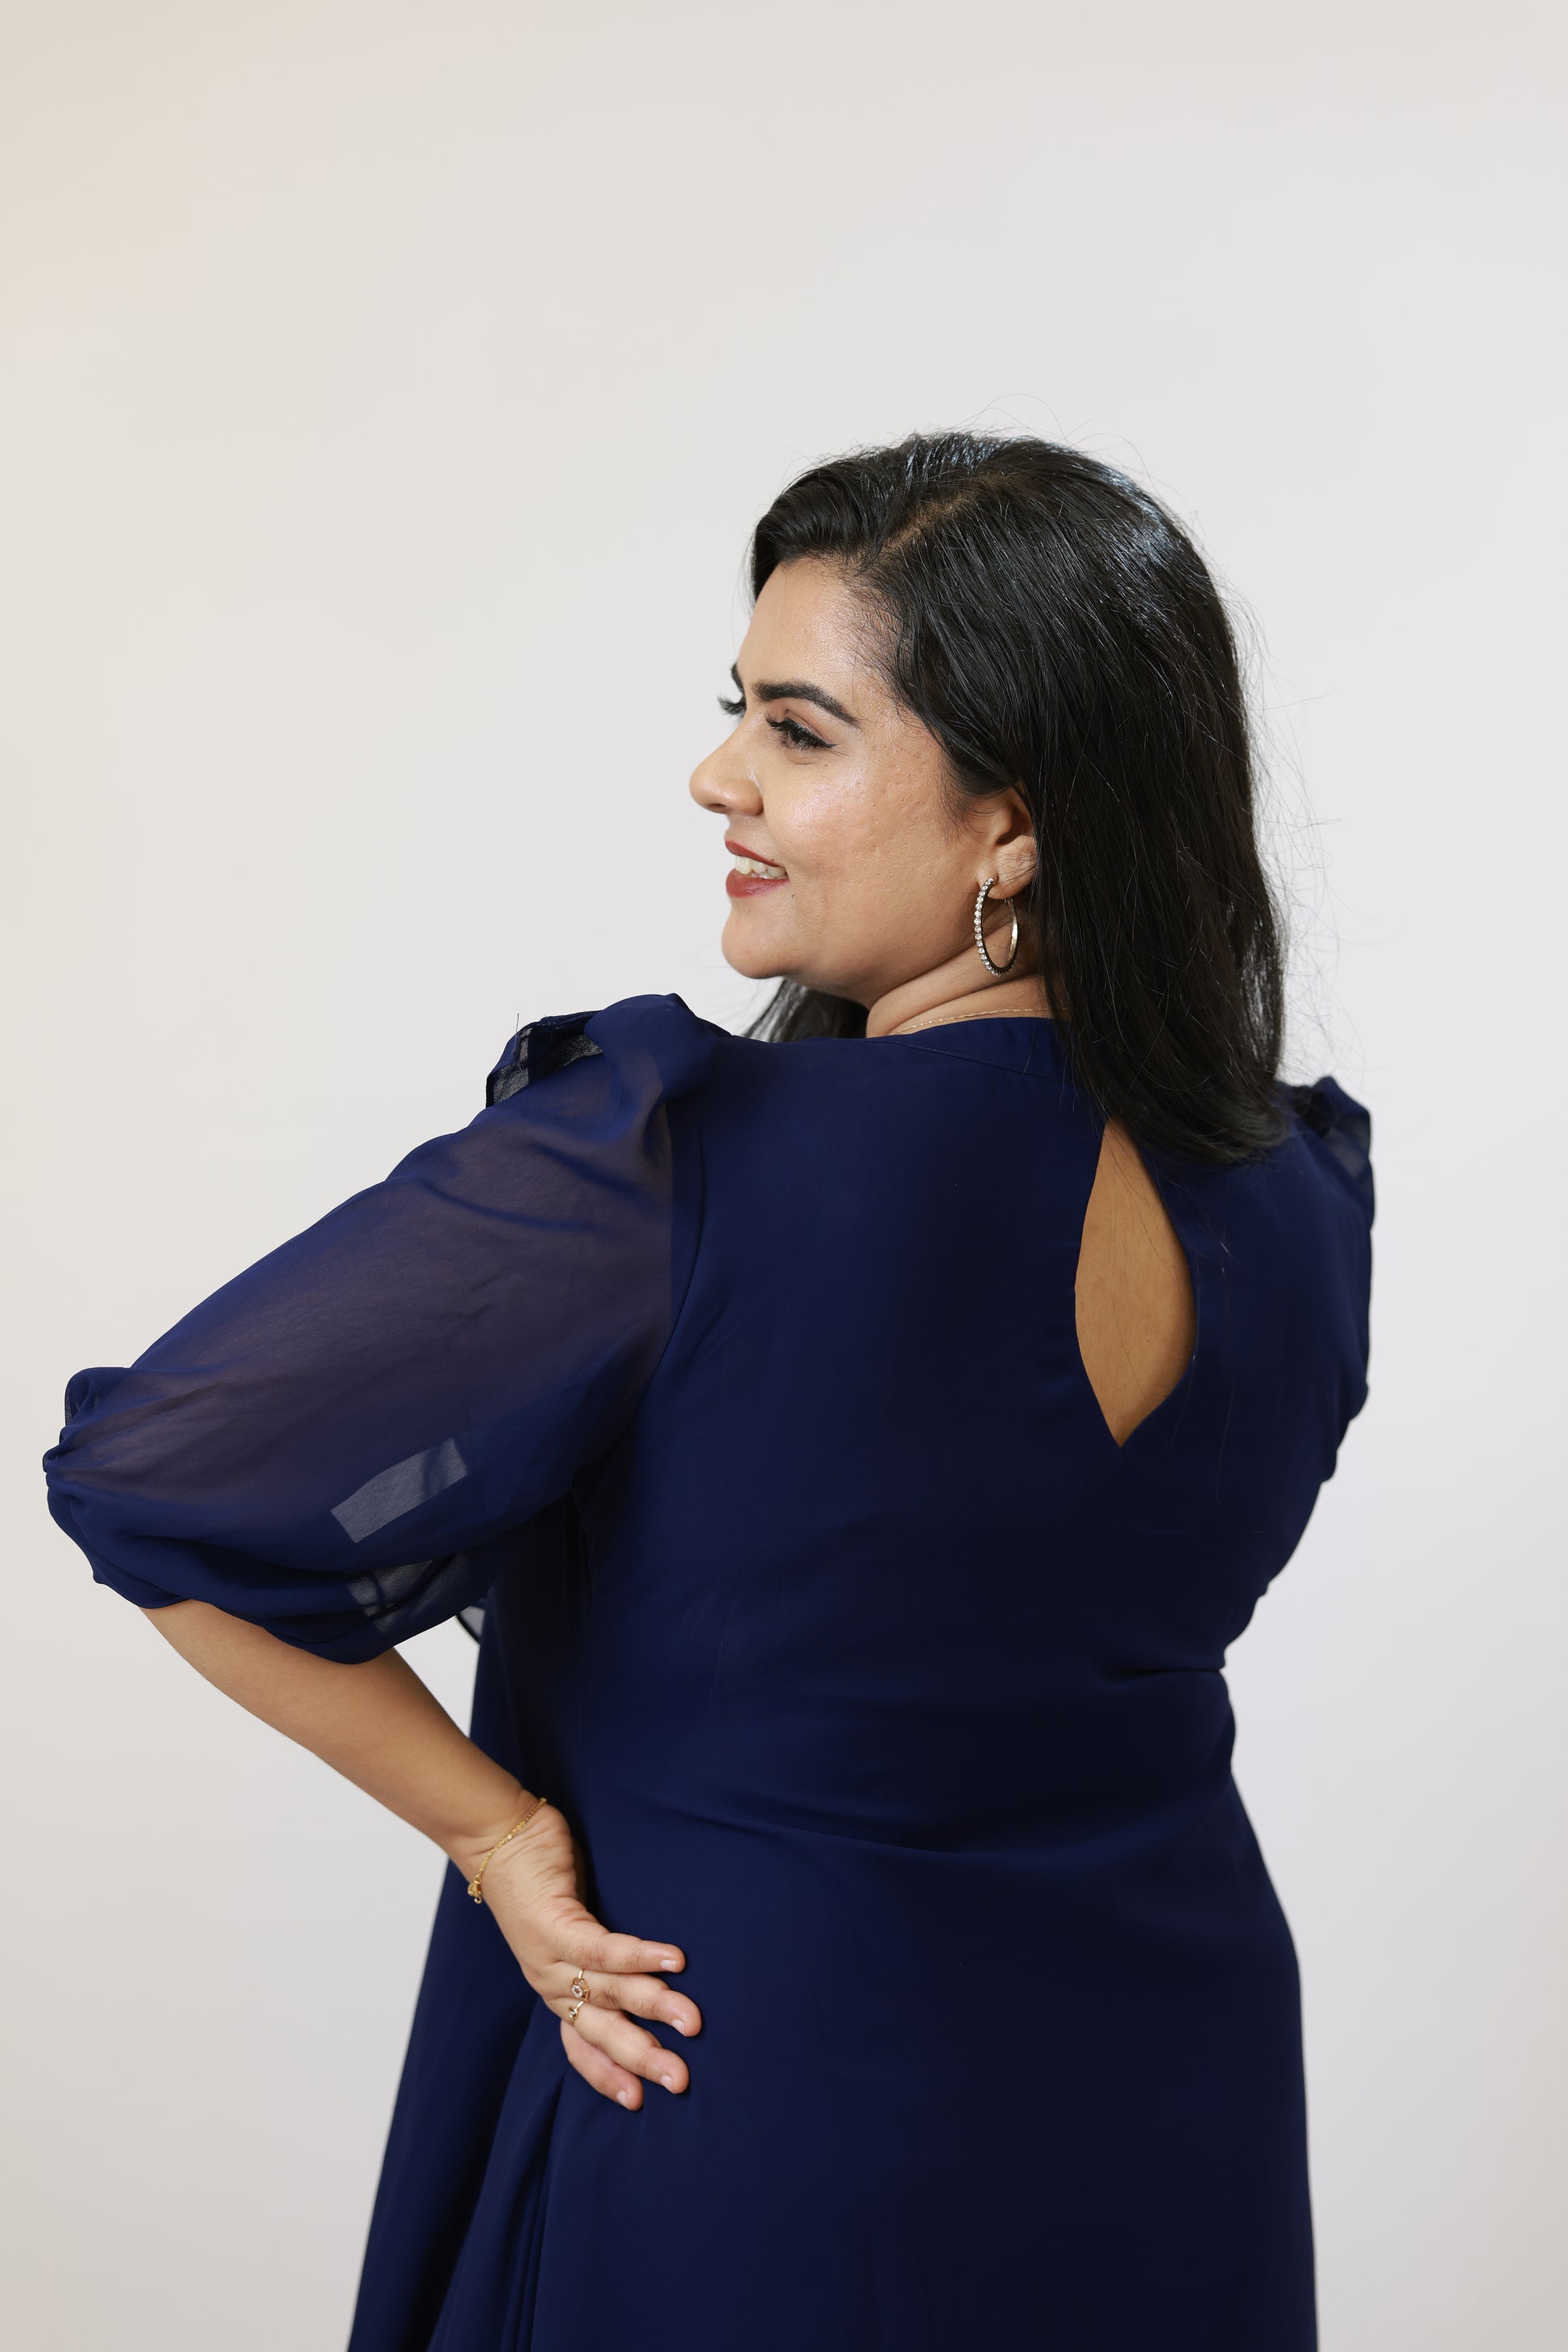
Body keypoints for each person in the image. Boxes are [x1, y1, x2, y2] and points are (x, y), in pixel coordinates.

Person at [44, 433, 1373, 2351]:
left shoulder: (673, 1164)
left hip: (758, 2089)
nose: (718, 775)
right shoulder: (1298, 1194)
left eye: (798, 729)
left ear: (1011, 827)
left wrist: (499, 1837)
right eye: (736, 709)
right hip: (1176, 2095)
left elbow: (153, 1470)